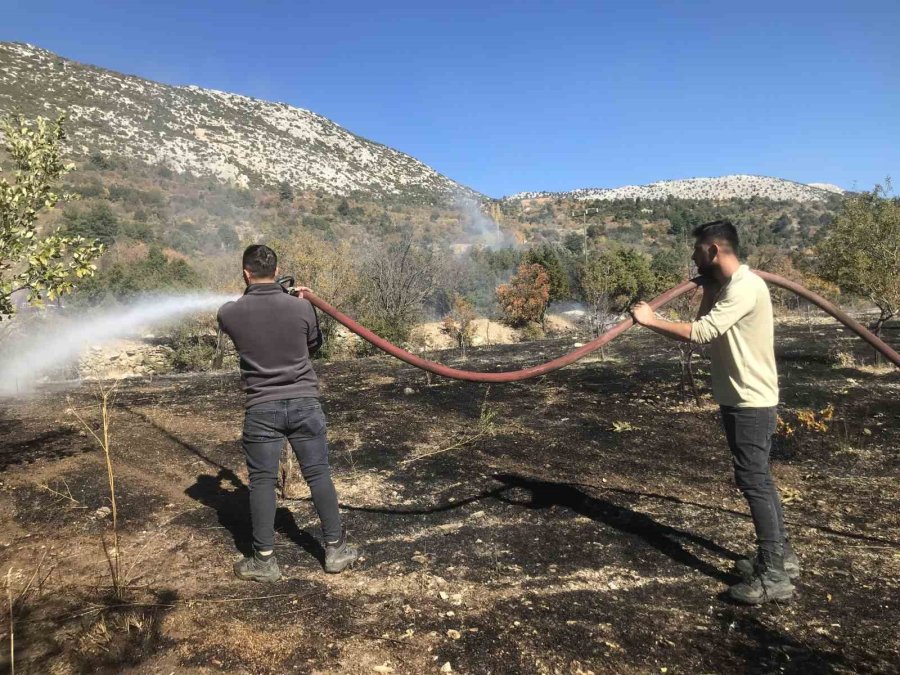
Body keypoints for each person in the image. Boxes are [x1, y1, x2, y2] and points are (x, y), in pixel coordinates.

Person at [630, 220, 798, 605]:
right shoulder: (731, 288)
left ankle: (773, 576)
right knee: (759, 478)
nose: (692, 258)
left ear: (712, 251)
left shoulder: (745, 287)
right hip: (743, 398)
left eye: (696, 251)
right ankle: (781, 557)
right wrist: (707, 288)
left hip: (750, 401)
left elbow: (702, 334)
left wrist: (650, 320)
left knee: (753, 481)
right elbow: (710, 322)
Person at [217, 244, 359, 582]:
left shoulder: (229, 312)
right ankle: (335, 551)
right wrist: (299, 300)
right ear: (277, 269)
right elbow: (313, 346)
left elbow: (242, 325)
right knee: (318, 474)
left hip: (262, 407)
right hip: (304, 403)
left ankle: (264, 561)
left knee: (262, 482)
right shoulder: (302, 308)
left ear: (245, 273)